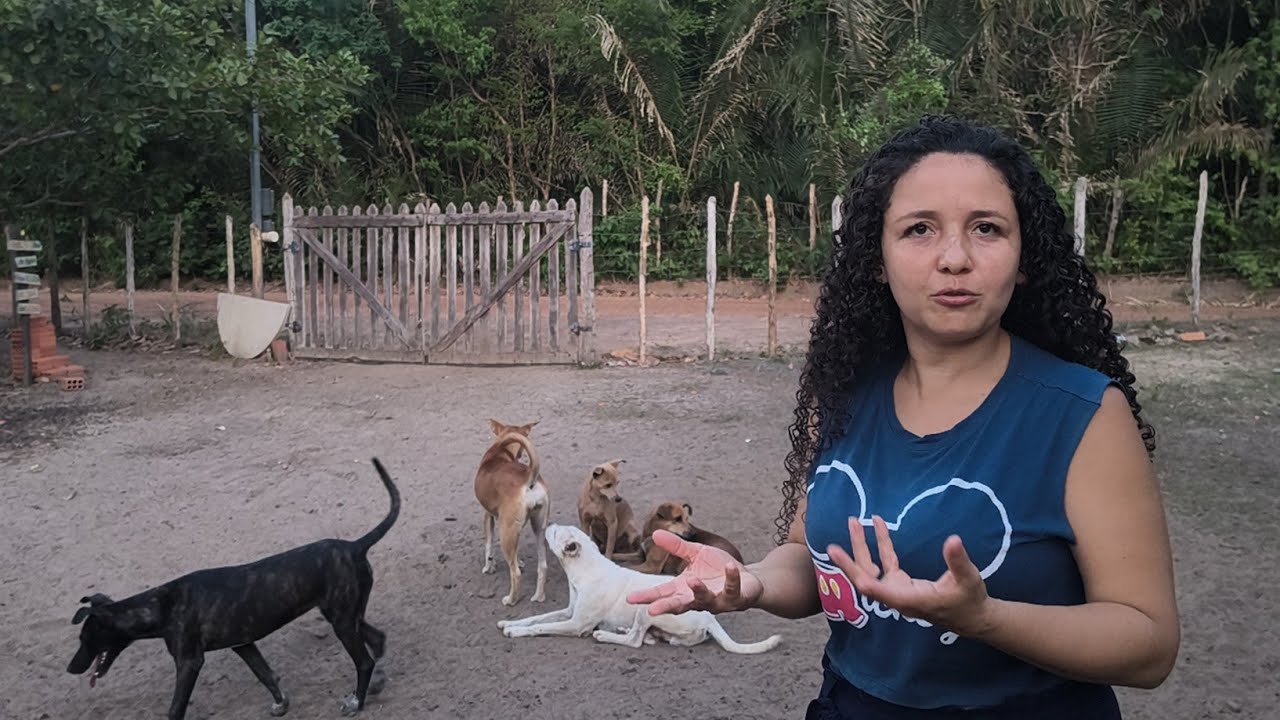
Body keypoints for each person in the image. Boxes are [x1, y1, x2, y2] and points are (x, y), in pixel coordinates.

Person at [628, 116, 1180, 718]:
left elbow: (1147, 645)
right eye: (919, 229)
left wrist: (986, 619)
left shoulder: (1084, 414)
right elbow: (810, 560)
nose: (954, 258)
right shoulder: (840, 393)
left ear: (1026, 256)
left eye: (987, 229)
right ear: (876, 259)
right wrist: (753, 582)